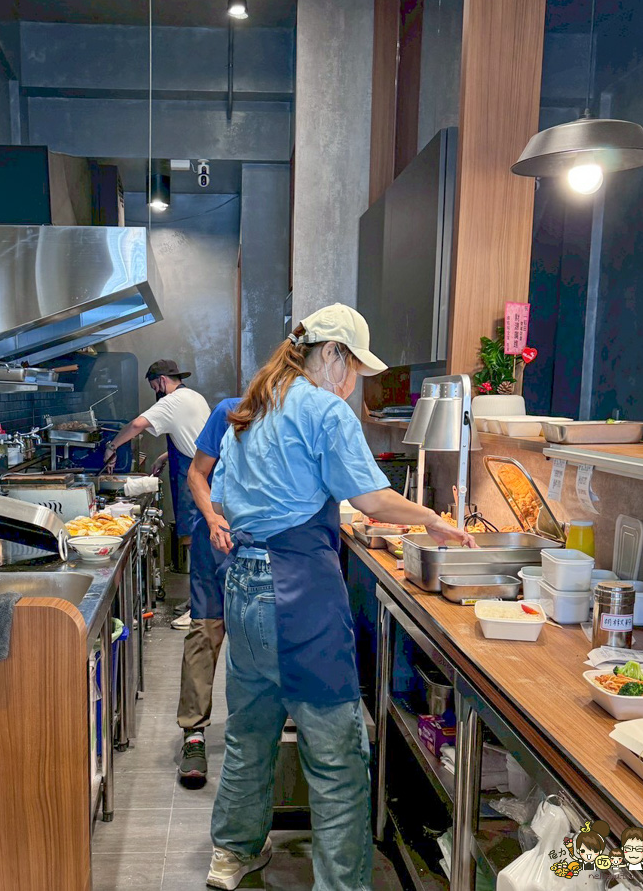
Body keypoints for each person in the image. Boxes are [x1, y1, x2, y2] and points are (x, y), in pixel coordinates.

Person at [204, 303, 476, 891]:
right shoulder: (324, 411)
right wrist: (434, 520)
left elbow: (223, 497)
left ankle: (231, 855)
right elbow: (374, 502)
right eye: (353, 368)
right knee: (337, 760)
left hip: (244, 591)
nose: (353, 382)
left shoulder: (250, 410)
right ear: (331, 354)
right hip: (298, 594)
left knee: (249, 735)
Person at [103, 359, 210, 627]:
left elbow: (137, 424)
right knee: (198, 541)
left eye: (154, 386)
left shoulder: (171, 401)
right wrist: (165, 455)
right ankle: (198, 600)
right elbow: (195, 438)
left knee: (195, 542)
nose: (156, 392)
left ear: (161, 381)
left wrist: (112, 446)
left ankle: (200, 610)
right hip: (201, 470)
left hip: (196, 477)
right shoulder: (193, 397)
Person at [177, 397, 242, 784]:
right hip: (215, 538)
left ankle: (252, 735)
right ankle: (194, 733)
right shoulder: (230, 412)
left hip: (264, 544)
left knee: (259, 635)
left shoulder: (306, 416)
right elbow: (196, 473)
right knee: (205, 629)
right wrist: (213, 517)